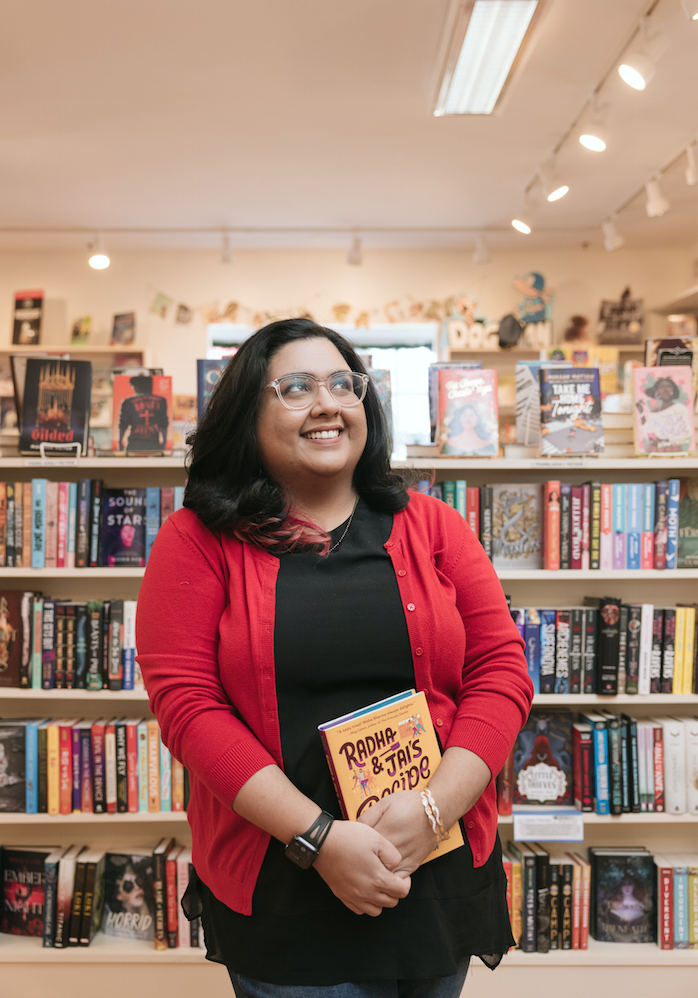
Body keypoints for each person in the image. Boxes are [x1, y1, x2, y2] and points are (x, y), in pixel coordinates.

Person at [136, 318, 533, 998]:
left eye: (343, 383)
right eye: (295, 386)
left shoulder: (435, 525)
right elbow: (188, 708)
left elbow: (501, 673)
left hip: (429, 869)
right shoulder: (197, 540)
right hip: (286, 884)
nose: (327, 402)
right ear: (246, 416)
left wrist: (434, 809)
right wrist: (319, 838)